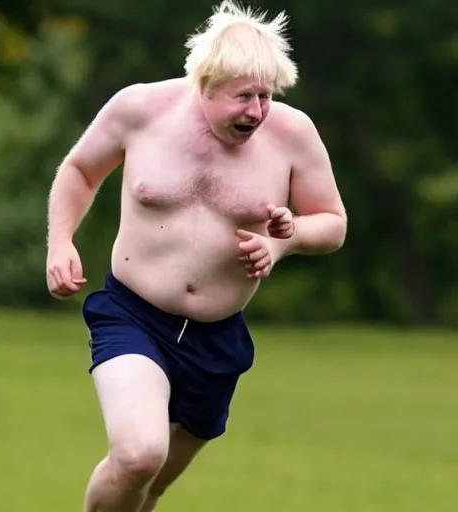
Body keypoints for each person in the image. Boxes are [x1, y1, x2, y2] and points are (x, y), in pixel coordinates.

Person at [46, 1, 347, 510]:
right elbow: (79, 171)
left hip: (217, 338)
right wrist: (60, 241)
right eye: (242, 97)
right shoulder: (140, 110)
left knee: (154, 482)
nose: (255, 111)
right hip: (133, 314)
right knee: (139, 455)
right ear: (204, 83)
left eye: (265, 96)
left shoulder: (293, 134)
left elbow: (333, 223)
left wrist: (286, 238)